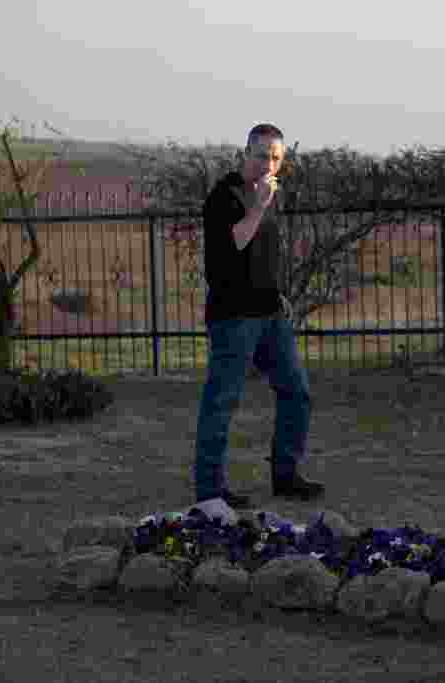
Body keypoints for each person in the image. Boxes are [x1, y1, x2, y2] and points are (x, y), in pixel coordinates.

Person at [192, 122, 324, 514]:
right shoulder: (225, 196)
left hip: (270, 314)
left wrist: (277, 291)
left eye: (277, 157)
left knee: (296, 392)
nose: (269, 163)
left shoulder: (269, 195)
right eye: (263, 154)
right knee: (222, 401)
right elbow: (235, 243)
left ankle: (286, 475)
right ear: (245, 154)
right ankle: (210, 491)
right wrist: (259, 205)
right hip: (234, 317)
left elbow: (262, 255)